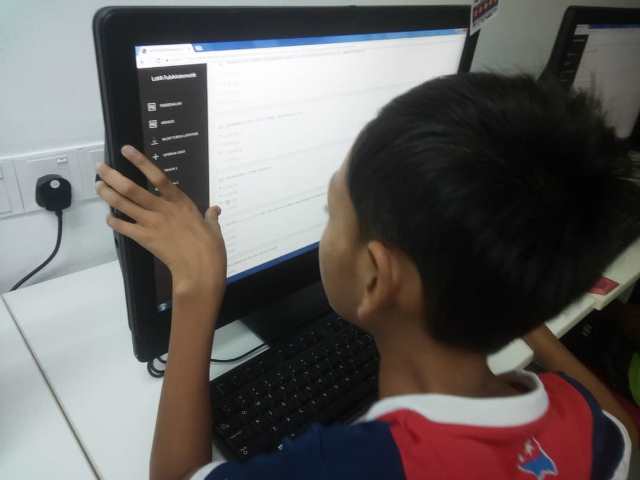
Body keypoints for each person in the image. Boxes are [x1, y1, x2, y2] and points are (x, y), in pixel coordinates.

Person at [96, 73, 640, 480]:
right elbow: (624, 429)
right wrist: (516, 302)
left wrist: (195, 291)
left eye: (332, 212)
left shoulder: (350, 465)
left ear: (376, 277)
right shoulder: (583, 424)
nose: (327, 224)